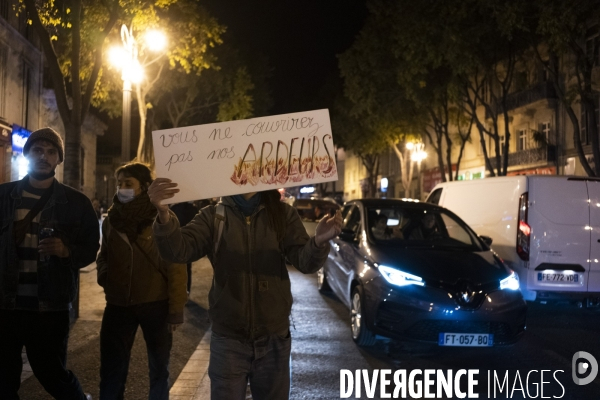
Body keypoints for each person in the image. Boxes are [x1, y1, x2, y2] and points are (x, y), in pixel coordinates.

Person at [147, 178, 343, 400]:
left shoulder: (283, 214)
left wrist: (318, 242)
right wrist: (163, 216)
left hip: (273, 339)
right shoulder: (213, 216)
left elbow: (305, 262)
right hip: (228, 340)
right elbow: (177, 251)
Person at [0, 128, 99, 400]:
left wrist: (67, 251)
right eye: (38, 150)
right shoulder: (3, 196)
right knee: (3, 377)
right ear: (28, 154)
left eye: (51, 151)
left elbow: (91, 248)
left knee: (52, 373)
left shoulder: (76, 203)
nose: (44, 156)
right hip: (6, 305)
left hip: (50, 305)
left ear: (59, 159)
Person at [96, 163, 188, 400]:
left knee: (159, 369)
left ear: (144, 187)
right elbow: (103, 255)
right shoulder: (111, 220)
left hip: (154, 304)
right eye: (119, 184)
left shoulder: (162, 217)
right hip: (117, 305)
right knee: (112, 370)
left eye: (128, 184)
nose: (122, 189)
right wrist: (105, 278)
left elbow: (176, 265)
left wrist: (176, 309)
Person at [170, 201, 200, 294]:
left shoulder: (173, 209)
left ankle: (181, 291)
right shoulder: (192, 208)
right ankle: (187, 290)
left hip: (176, 243)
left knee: (177, 269)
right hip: (188, 243)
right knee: (187, 268)